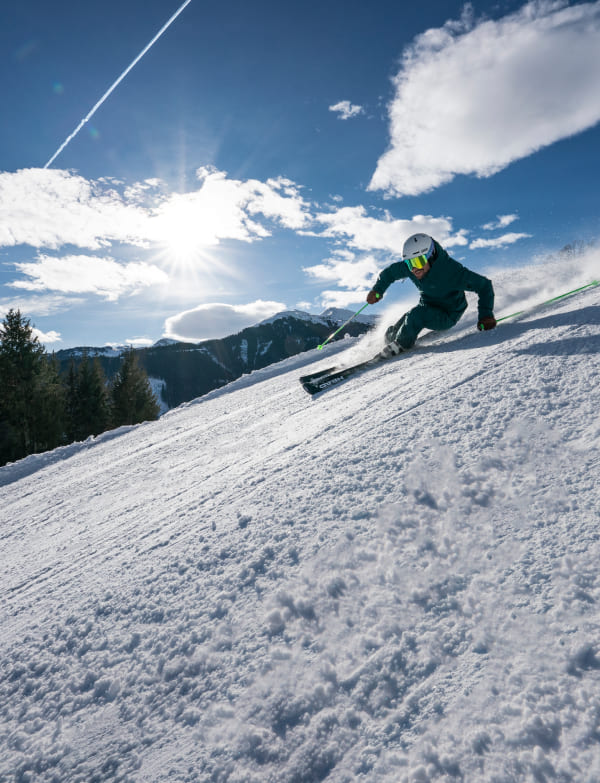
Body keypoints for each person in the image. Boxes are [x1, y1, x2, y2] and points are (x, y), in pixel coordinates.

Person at [366, 233, 497, 356]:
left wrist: (486, 315)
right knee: (404, 322)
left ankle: (401, 345)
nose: (414, 269)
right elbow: (389, 273)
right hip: (427, 306)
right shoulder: (412, 268)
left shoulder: (451, 271)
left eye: (418, 262)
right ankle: (392, 340)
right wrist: (377, 290)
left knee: (415, 316)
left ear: (431, 256)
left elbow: (484, 285)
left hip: (448, 314)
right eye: (410, 263)